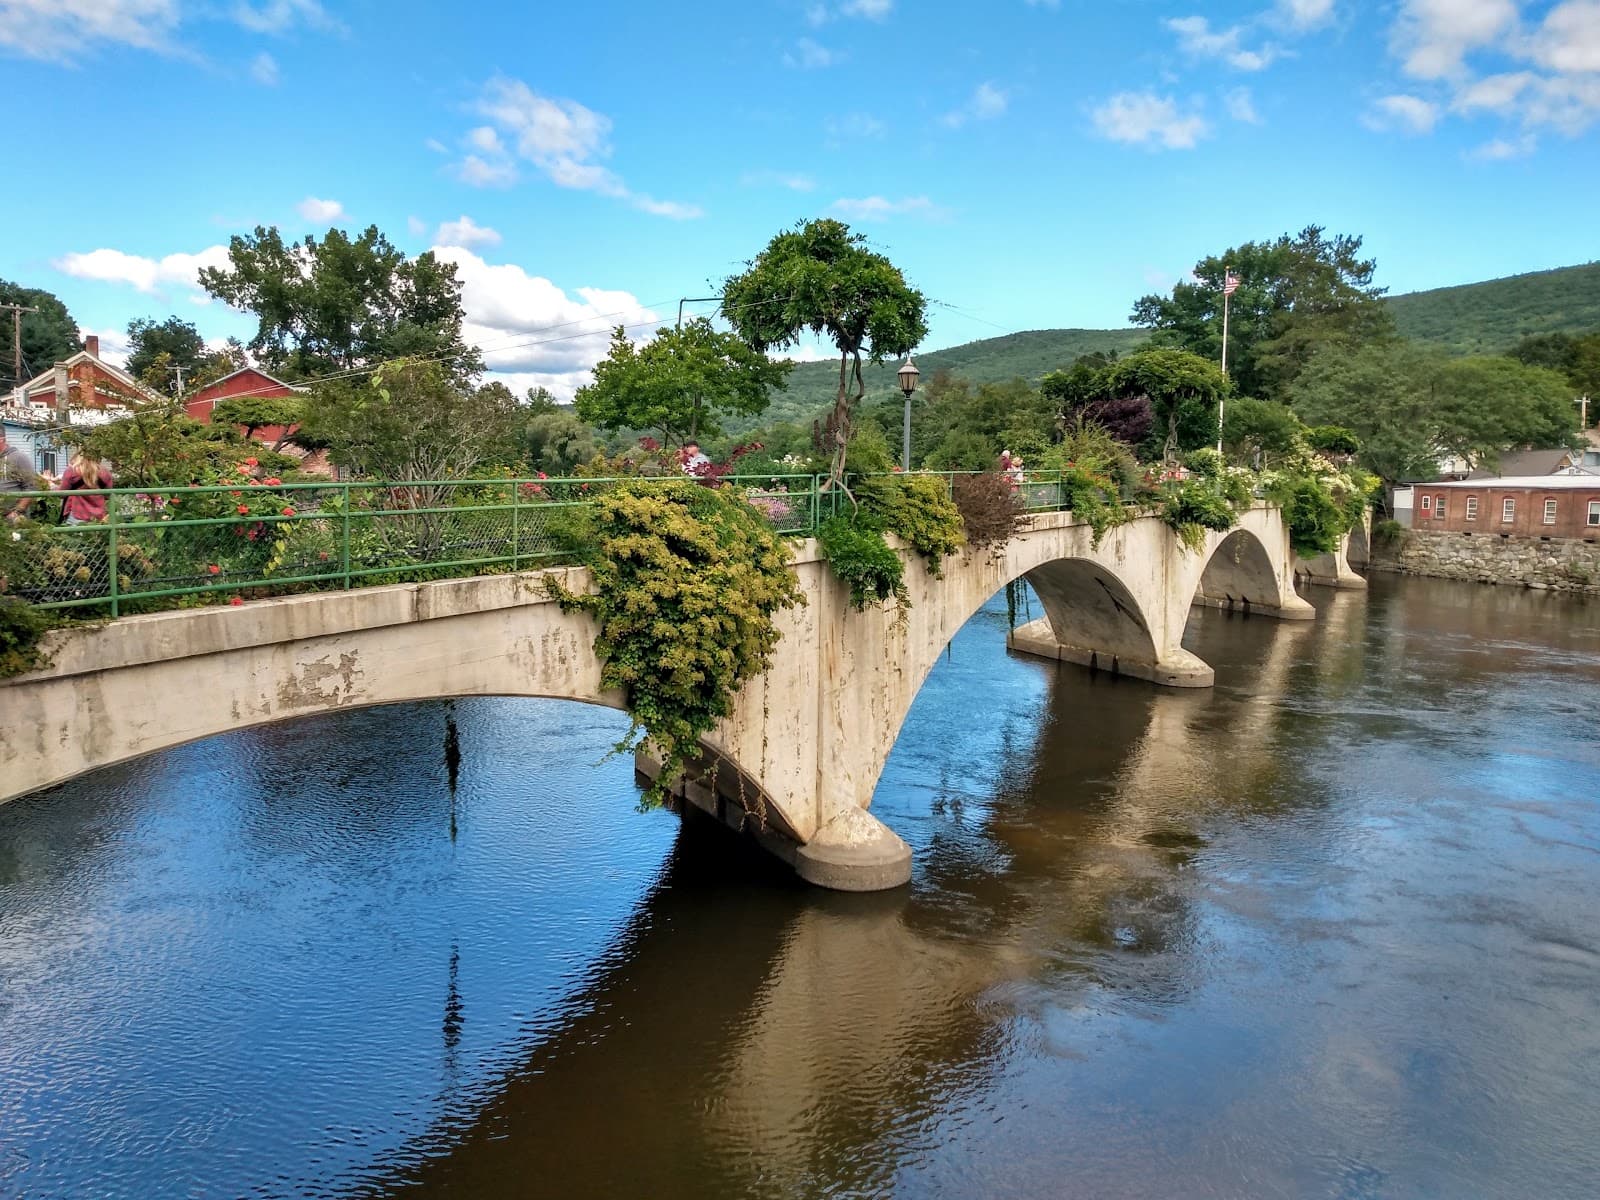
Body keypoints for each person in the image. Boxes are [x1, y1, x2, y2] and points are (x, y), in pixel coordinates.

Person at [0, 427, 44, 522]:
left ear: (1, 439)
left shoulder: (19, 457)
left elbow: (32, 487)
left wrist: (17, 511)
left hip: (11, 519)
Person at [58, 453, 113, 525]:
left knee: (73, 535)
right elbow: (107, 495)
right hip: (98, 517)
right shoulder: (105, 473)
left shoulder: (72, 471)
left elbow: (62, 494)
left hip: (76, 515)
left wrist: (51, 485)